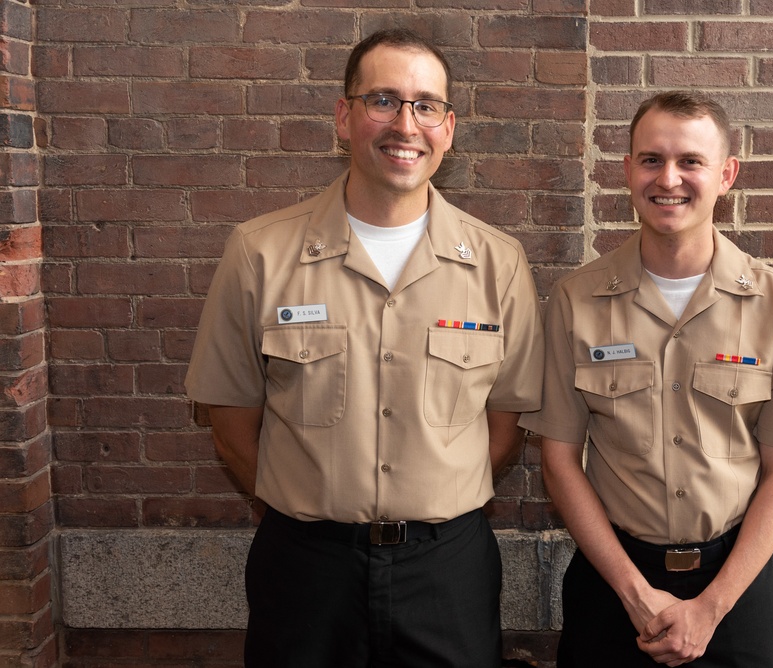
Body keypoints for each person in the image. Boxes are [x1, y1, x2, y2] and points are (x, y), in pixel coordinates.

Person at [185, 28, 543, 668]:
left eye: (425, 105)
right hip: (306, 569)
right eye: (382, 100)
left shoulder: (497, 263)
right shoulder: (260, 253)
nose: (405, 123)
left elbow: (506, 422)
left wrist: (435, 500)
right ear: (343, 118)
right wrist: (308, 513)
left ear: (448, 128)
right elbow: (231, 421)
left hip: (446, 570)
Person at [519, 91, 773, 667]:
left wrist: (711, 607)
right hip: (612, 584)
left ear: (726, 175)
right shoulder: (576, 299)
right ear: (627, 171)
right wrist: (634, 592)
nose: (669, 178)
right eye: (651, 159)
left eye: (690, 161)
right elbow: (560, 459)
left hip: (735, 585)